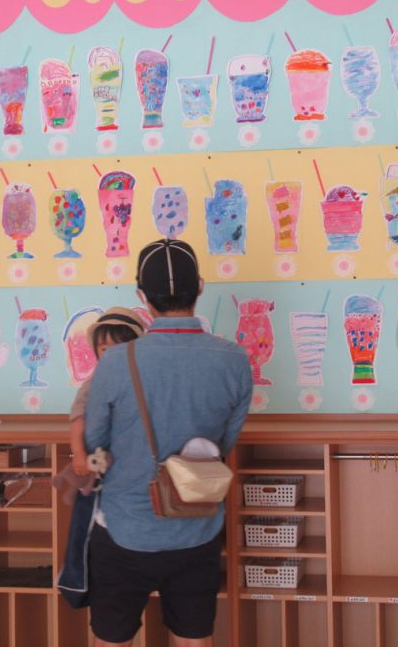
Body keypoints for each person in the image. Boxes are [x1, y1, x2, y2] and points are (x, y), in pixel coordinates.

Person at [83, 239, 253, 647]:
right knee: (194, 638)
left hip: (124, 527)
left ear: (142, 295)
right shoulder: (233, 359)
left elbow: (94, 442)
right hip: (197, 526)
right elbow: (224, 442)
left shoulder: (115, 362)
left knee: (112, 639)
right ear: (200, 287)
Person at [54, 307, 146, 607]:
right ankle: (77, 582)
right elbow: (77, 419)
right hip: (99, 469)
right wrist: (79, 455)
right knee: (87, 526)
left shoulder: (145, 381)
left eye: (120, 348)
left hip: (134, 472)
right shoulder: (93, 383)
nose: (111, 355)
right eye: (104, 348)